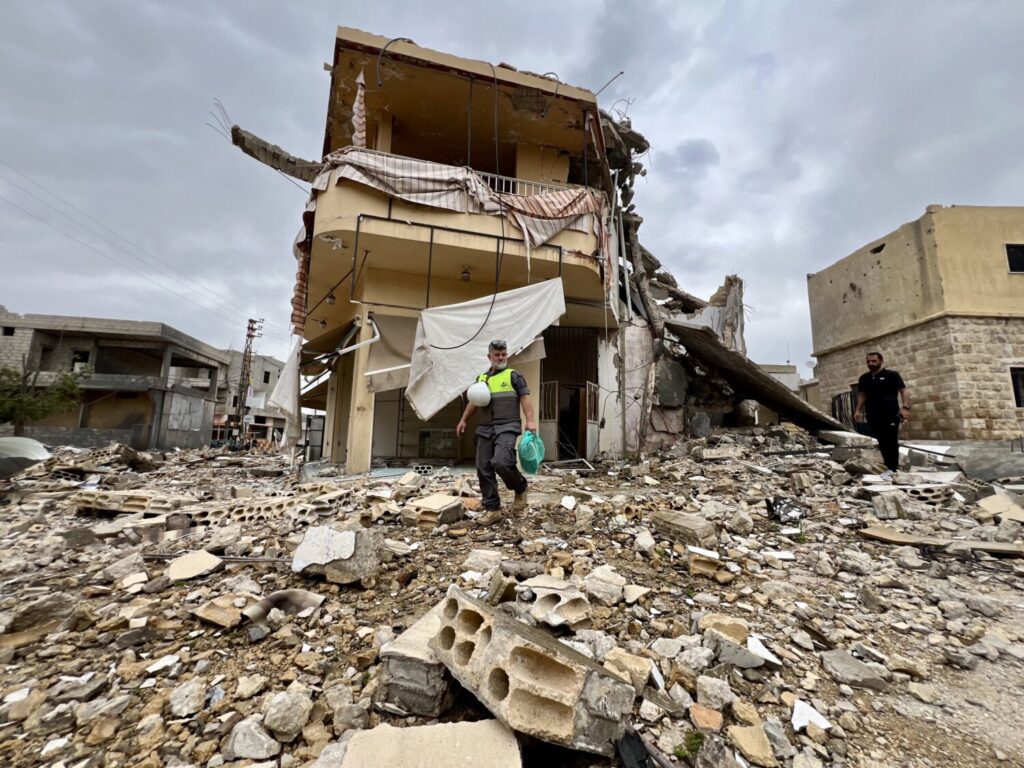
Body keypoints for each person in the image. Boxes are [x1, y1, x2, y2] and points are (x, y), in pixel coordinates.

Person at [456, 340, 537, 525]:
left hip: (508, 426)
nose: (501, 358)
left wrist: (530, 420)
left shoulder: (514, 376)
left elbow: (525, 398)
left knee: (501, 462)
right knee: (483, 467)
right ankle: (492, 508)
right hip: (485, 428)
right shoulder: (482, 379)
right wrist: (463, 420)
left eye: (503, 355)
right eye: (497, 355)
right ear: (489, 357)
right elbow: (474, 402)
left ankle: (520, 486)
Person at [854, 351, 911, 480]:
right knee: (882, 442)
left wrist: (905, 407)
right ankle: (889, 467)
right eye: (868, 361)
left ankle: (892, 468)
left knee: (891, 441)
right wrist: (857, 410)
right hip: (873, 415)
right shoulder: (864, 378)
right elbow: (862, 395)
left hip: (890, 414)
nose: (871, 363)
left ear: (881, 361)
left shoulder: (892, 375)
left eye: (874, 361)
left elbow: (903, 391)